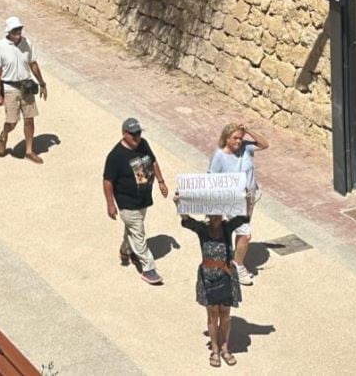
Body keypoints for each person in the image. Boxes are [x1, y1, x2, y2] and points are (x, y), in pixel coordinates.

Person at [175, 192, 248, 368]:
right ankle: (215, 350)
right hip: (207, 278)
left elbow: (243, 217)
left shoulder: (227, 228)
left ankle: (225, 348)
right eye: (212, 214)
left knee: (226, 315)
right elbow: (186, 221)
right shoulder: (202, 229)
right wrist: (180, 204)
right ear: (208, 215)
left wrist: (247, 201)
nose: (215, 218)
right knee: (212, 315)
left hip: (226, 276)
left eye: (218, 214)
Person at [102, 117, 168, 285]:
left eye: (138, 134)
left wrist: (161, 182)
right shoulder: (115, 156)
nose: (137, 138)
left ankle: (125, 251)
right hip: (126, 202)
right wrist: (110, 204)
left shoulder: (143, 144)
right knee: (138, 233)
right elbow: (107, 181)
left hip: (143, 198)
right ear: (124, 134)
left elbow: (152, 162)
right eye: (133, 135)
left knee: (132, 230)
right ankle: (148, 268)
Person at [208, 123, 270, 286]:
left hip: (249, 197)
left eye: (240, 138)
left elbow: (265, 145)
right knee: (245, 234)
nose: (238, 141)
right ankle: (238, 265)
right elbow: (212, 180)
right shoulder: (219, 156)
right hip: (232, 200)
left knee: (242, 230)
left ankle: (233, 258)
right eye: (234, 138)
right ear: (226, 138)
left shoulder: (245, 148)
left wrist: (248, 130)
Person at [0, 16, 48, 164]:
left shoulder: (27, 43)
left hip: (26, 86)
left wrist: (42, 83)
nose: (18, 32)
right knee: (12, 122)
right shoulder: (0, 47)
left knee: (29, 120)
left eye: (20, 29)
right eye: (15, 30)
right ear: (8, 31)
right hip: (10, 88)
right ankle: (4, 134)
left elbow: (33, 63)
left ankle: (29, 151)